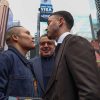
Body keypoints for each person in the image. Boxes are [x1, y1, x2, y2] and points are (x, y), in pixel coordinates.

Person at [43, 10, 100, 100]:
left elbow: (90, 91)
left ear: (60, 21)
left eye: (49, 22)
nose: (46, 28)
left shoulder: (75, 42)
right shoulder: (62, 47)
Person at [0, 26, 36, 99]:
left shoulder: (28, 64)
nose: (32, 37)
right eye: (27, 33)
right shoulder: (5, 58)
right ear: (15, 37)